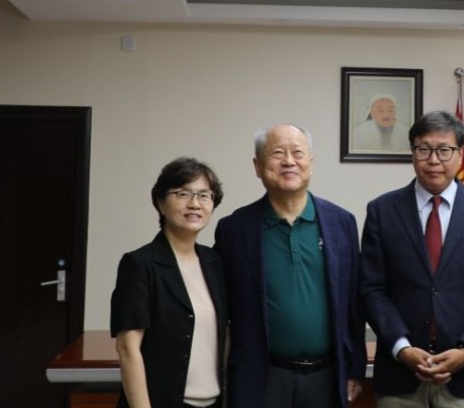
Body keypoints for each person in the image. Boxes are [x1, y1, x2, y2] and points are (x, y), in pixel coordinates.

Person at [361, 110, 464, 408]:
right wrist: (402, 348)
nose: (433, 160)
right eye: (424, 149)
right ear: (412, 153)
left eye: (444, 150)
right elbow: (372, 290)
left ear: (460, 154)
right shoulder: (382, 211)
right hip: (400, 378)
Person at [213, 124, 366, 408]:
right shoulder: (234, 230)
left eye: (297, 153)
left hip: (327, 377)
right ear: (257, 166)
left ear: (311, 163)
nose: (288, 161)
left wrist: (355, 367)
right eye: (277, 153)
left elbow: (354, 304)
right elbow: (218, 308)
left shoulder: (341, 223)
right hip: (262, 379)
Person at [110, 157, 228, 408]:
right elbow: (128, 348)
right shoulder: (140, 265)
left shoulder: (215, 263)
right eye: (183, 194)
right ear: (161, 203)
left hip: (214, 402)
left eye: (204, 195)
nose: (194, 203)